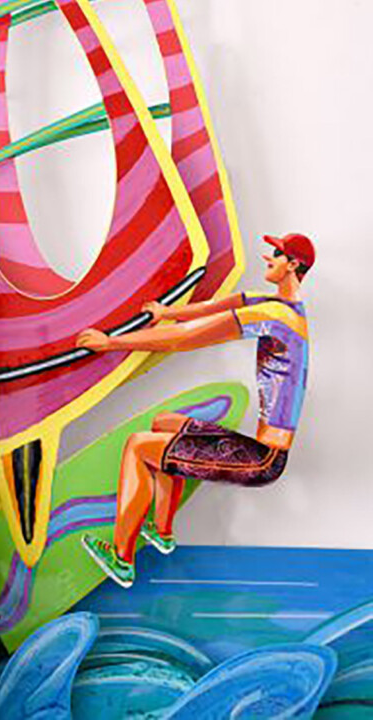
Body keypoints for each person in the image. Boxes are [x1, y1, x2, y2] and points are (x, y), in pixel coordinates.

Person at [76, 233, 314, 588]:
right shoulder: (276, 304)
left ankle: (122, 558)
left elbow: (188, 336)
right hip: (260, 450)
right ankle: (161, 531)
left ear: (293, 265)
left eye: (276, 254)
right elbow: (213, 308)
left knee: (138, 447)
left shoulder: (277, 316)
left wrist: (112, 342)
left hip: (264, 460)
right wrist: (167, 313)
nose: (268, 257)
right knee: (163, 423)